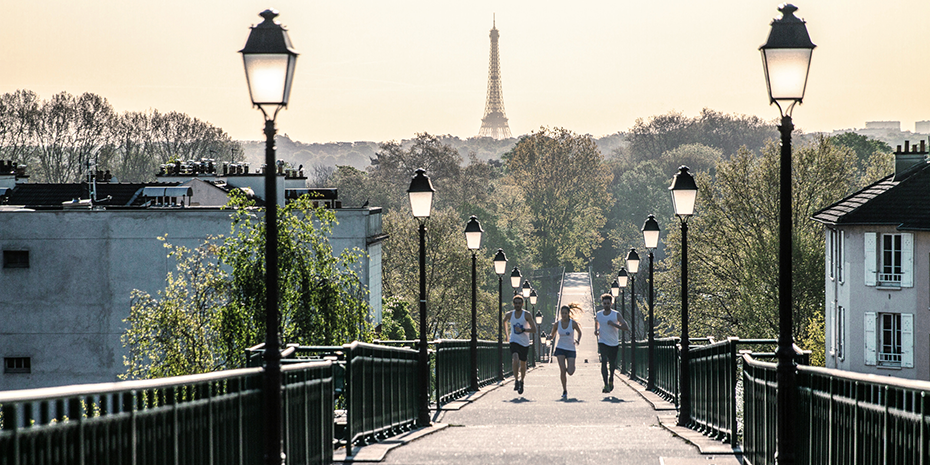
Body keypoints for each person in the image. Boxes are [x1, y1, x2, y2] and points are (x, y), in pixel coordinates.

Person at [594, 293, 628, 393]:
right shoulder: (599, 314)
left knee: (612, 364)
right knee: (604, 361)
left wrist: (614, 325)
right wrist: (596, 330)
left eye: (608, 303)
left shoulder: (616, 314)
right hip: (602, 342)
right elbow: (597, 322)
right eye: (604, 303)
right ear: (602, 303)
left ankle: (611, 379)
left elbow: (625, 327)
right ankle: (605, 384)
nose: (606, 305)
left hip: (613, 343)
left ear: (611, 303)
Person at [503, 294, 535, 395]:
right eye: (515, 303)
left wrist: (523, 330)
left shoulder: (527, 315)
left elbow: (534, 329)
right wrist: (507, 335)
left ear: (522, 304)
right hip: (514, 340)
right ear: (513, 304)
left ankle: (522, 381)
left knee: (523, 364)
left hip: (524, 343)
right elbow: (504, 321)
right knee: (515, 358)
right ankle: (516, 380)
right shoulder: (509, 314)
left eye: (519, 303)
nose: (517, 305)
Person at [551, 304, 583, 399]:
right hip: (560, 348)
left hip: (570, 349)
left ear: (568, 313)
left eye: (565, 313)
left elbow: (579, 332)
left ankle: (571, 367)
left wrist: (578, 340)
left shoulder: (573, 323)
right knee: (562, 370)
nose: (564, 315)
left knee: (570, 372)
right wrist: (549, 337)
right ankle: (564, 390)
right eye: (562, 313)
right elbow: (552, 335)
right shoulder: (557, 324)